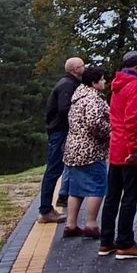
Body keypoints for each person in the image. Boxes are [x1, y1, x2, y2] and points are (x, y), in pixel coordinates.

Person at [97, 51, 137, 259]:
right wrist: (133, 149)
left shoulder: (117, 85)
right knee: (130, 197)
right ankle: (125, 242)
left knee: (112, 196)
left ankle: (106, 241)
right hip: (132, 151)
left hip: (117, 148)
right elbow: (133, 120)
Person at [61, 65, 110, 239]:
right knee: (97, 187)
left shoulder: (77, 96)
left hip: (73, 149)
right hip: (91, 150)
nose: (105, 82)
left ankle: (71, 224)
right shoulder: (93, 98)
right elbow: (95, 123)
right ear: (94, 82)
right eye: (102, 79)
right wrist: (110, 132)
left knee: (76, 189)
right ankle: (91, 224)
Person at [38, 56, 84, 223]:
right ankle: (45, 210)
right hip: (60, 132)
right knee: (53, 170)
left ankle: (47, 208)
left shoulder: (69, 84)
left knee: (56, 170)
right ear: (74, 69)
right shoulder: (67, 85)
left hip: (59, 131)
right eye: (82, 66)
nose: (84, 68)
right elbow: (65, 109)